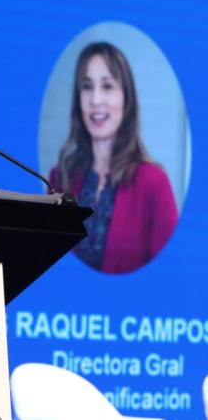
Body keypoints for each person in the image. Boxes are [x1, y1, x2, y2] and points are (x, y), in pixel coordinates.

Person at [50, 42, 178, 274]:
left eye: (107, 86)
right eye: (87, 87)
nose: (96, 100)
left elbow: (169, 275)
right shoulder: (59, 178)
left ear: (126, 99)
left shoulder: (154, 183)